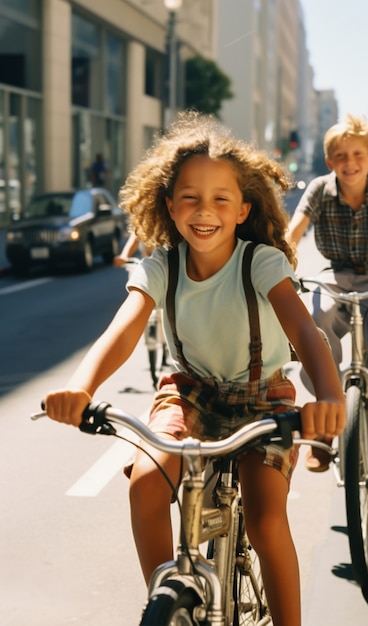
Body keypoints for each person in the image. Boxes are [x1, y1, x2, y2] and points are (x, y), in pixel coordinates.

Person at [44, 111, 345, 626]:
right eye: (189, 197)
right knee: (144, 484)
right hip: (189, 392)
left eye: (220, 199)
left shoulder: (261, 263)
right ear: (169, 205)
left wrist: (329, 397)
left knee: (266, 521)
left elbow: (305, 333)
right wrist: (80, 387)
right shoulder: (161, 265)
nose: (204, 211)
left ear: (242, 209)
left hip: (263, 397)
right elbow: (123, 329)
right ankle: (170, 600)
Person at [288, 113, 368, 478]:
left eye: (359, 154)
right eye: (341, 156)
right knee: (317, 325)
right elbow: (293, 232)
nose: (350, 163)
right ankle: (325, 426)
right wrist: (278, 264)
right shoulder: (319, 190)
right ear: (330, 162)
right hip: (337, 276)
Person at [113, 232, 169, 387]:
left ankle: (167, 347)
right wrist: (124, 256)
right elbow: (134, 238)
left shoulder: (167, 222)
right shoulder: (144, 224)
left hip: (165, 271)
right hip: (148, 270)